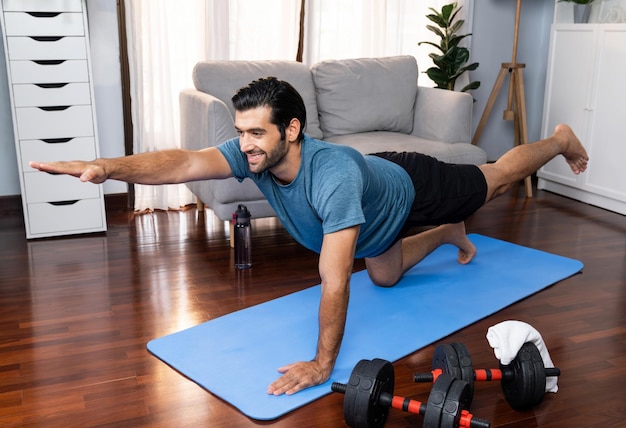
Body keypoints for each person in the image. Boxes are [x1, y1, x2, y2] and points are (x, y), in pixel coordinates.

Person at [30, 77, 589, 396]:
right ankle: (446, 236)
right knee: (387, 276)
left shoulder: (333, 179)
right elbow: (179, 165)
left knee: (495, 179)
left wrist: (323, 366)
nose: (244, 144)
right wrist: (107, 167)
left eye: (257, 132)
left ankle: (558, 140)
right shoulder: (252, 156)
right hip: (375, 209)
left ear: (291, 131)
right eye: (241, 131)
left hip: (412, 187)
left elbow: (333, 281)